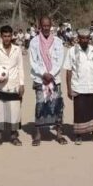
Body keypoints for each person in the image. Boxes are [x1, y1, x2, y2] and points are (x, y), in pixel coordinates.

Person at [29, 17, 67, 146]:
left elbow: (60, 60)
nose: (45, 27)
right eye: (43, 25)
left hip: (54, 78)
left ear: (51, 26)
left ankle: (59, 134)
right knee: (40, 105)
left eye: (48, 25)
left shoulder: (57, 41)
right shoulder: (34, 42)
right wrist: (43, 73)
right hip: (40, 79)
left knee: (57, 105)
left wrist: (51, 74)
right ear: (40, 26)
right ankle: (38, 134)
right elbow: (33, 61)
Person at [64, 29, 93, 145]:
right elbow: (68, 71)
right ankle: (78, 135)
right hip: (78, 87)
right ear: (78, 38)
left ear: (89, 39)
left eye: (87, 38)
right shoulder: (72, 51)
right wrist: (69, 89)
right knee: (79, 112)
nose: (84, 40)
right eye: (82, 38)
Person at [0, 25, 25, 146]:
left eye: (9, 36)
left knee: (15, 111)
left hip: (14, 85)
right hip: (0, 86)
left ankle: (14, 136)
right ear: (1, 36)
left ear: (12, 36)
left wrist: (21, 84)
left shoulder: (17, 49)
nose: (7, 38)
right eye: (5, 36)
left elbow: (20, 67)